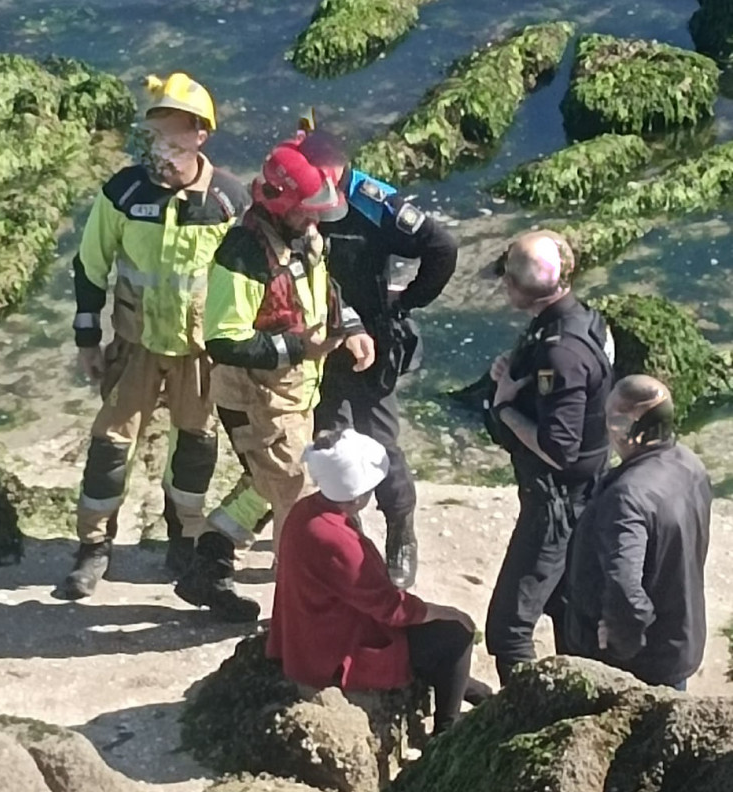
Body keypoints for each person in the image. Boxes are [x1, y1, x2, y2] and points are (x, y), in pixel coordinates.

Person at [61, 73, 249, 599]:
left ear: (199, 135)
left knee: (195, 447)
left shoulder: (229, 201)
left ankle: (183, 542)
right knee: (110, 446)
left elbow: (251, 280)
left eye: (172, 134)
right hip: (135, 346)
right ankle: (94, 548)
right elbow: (90, 264)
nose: (160, 146)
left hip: (200, 354)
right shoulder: (124, 192)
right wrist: (85, 337)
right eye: (155, 133)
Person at [173, 138, 375, 621]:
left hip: (296, 391)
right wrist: (296, 348)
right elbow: (222, 339)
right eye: (306, 212)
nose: (315, 221)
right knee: (298, 493)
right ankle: (302, 610)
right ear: (282, 204)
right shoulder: (241, 255)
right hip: (254, 396)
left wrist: (350, 326)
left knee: (268, 482)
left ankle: (210, 561)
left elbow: (324, 287)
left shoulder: (304, 236)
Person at [299, 129, 458, 590]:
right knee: (325, 438)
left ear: (332, 172)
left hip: (372, 340)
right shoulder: (296, 194)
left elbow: (442, 247)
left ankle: (400, 531)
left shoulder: (372, 201)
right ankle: (342, 536)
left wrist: (407, 301)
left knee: (380, 442)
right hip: (316, 338)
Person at [268, 428, 491, 735]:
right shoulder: (335, 540)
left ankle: (475, 692)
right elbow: (390, 609)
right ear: (358, 495)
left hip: (311, 633)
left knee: (440, 636)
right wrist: (446, 613)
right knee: (456, 634)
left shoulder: (305, 511)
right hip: (335, 649)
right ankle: (445, 732)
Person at [483, 230, 614, 685]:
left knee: (508, 627)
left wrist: (504, 408)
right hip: (588, 492)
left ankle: (524, 710)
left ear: (520, 288)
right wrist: (515, 370)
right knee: (567, 610)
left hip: (557, 502)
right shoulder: (584, 320)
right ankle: (575, 695)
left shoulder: (559, 351)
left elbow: (560, 448)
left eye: (508, 280)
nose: (504, 287)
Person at [565, 375, 711, 690]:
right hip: (680, 640)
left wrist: (622, 640)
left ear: (627, 426)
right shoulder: (690, 465)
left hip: (640, 665)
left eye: (611, 418)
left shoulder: (627, 497)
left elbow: (624, 584)